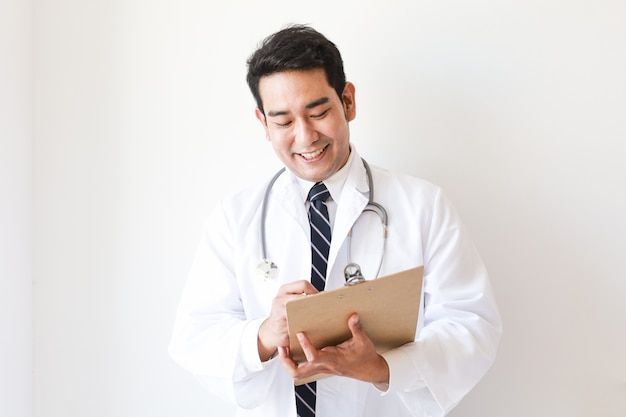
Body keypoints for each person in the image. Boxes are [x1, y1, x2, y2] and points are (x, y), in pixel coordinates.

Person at [169, 24, 502, 417]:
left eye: (319, 112)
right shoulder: (235, 217)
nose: (305, 137)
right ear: (263, 123)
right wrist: (263, 335)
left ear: (348, 101)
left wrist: (383, 368)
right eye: (283, 122)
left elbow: (472, 325)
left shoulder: (423, 206)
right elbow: (194, 337)